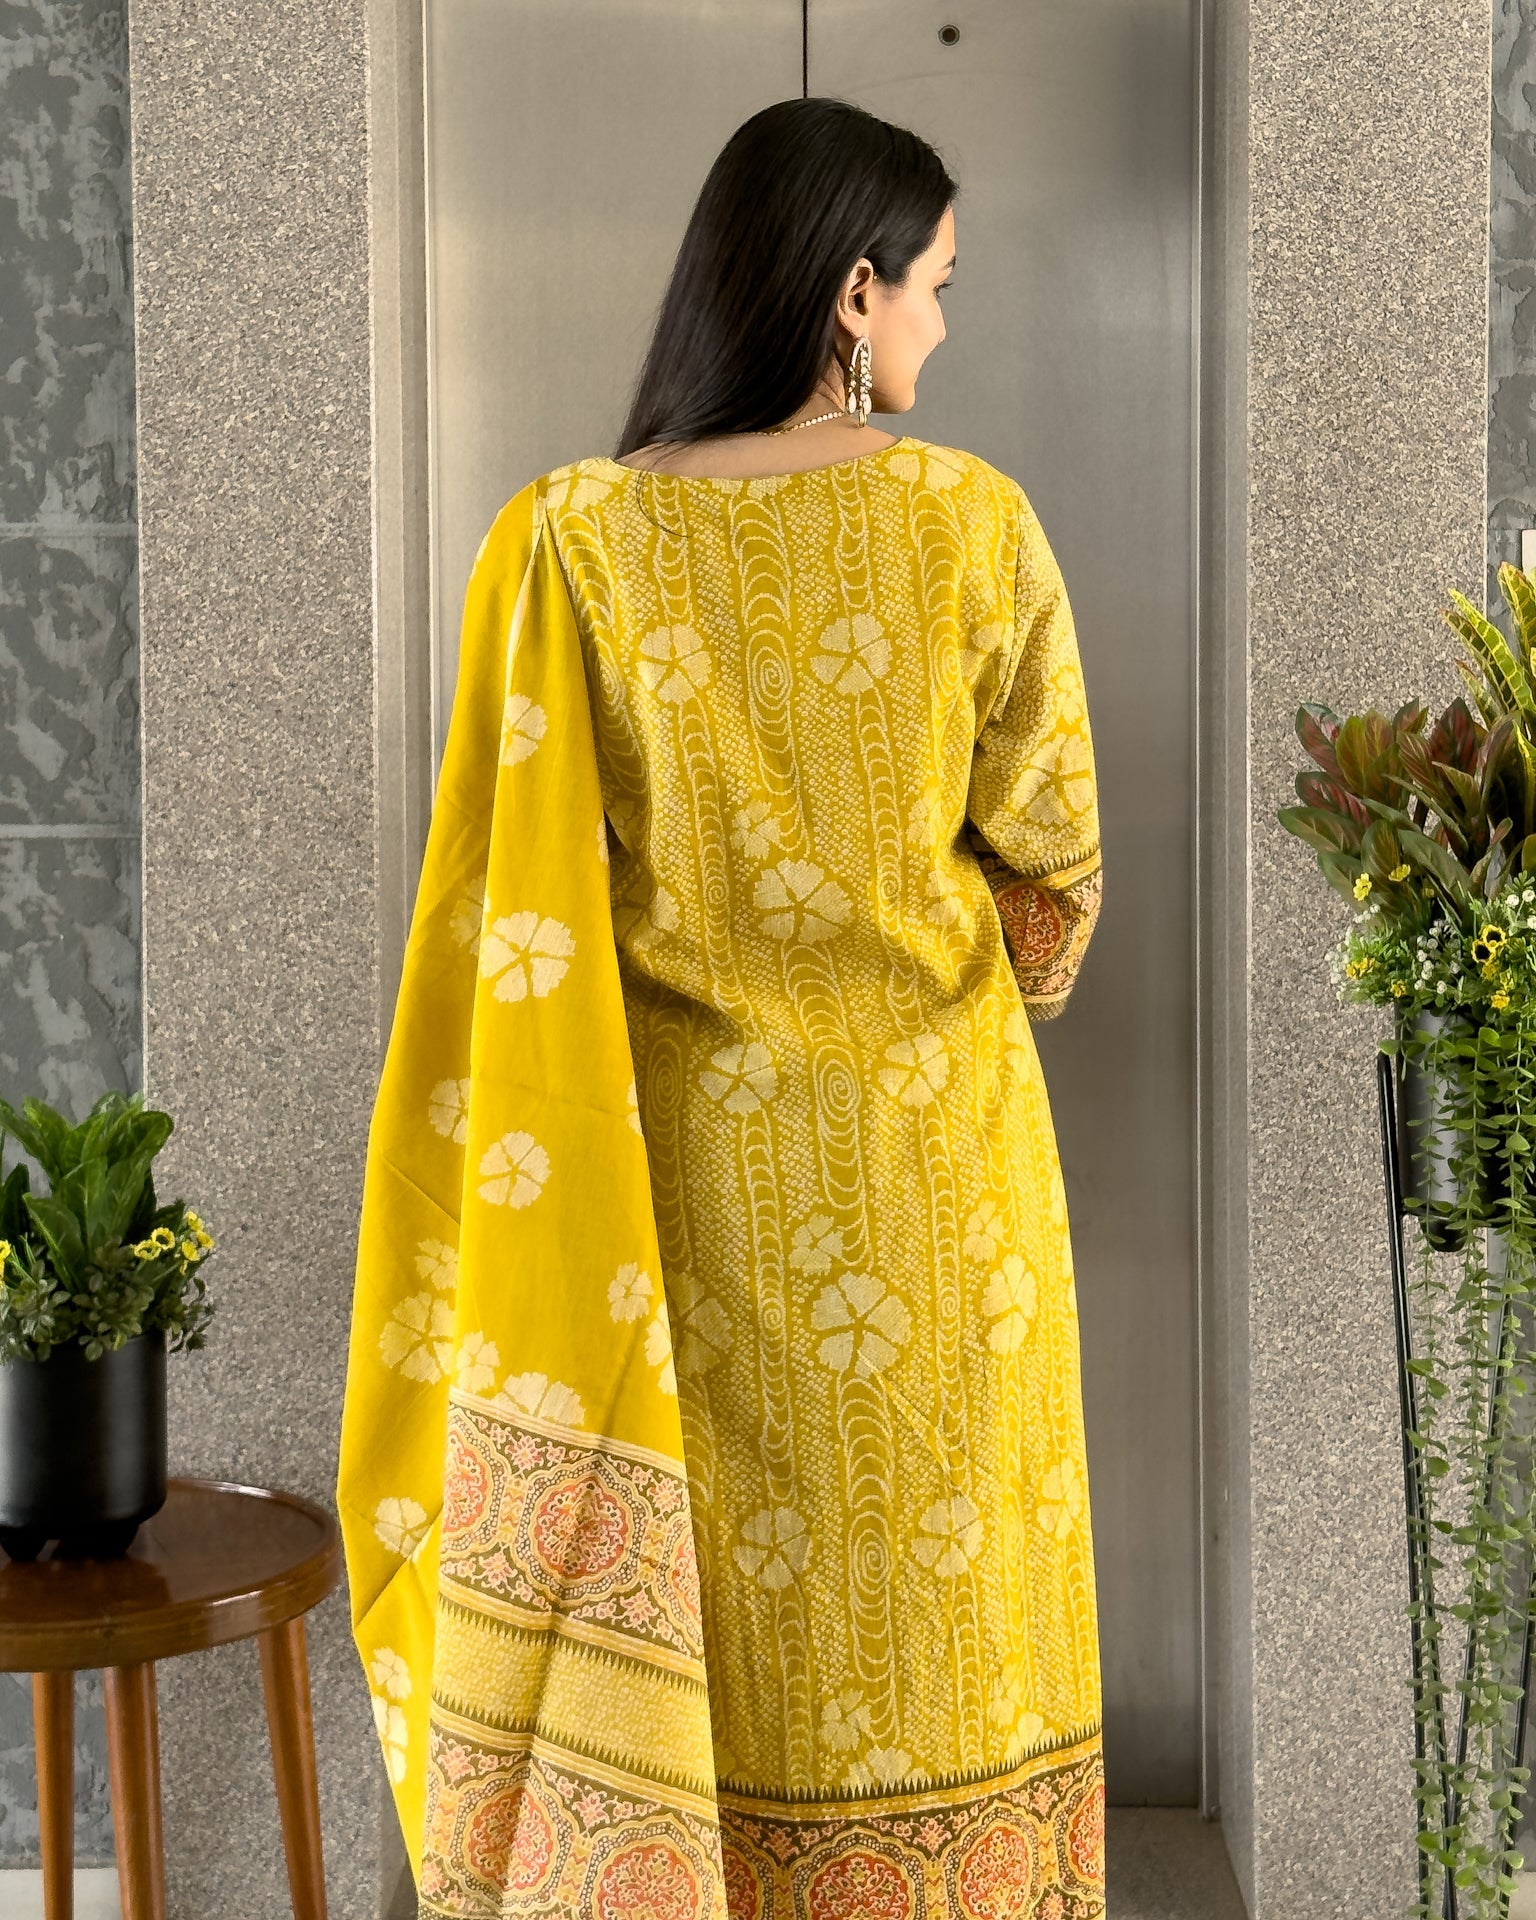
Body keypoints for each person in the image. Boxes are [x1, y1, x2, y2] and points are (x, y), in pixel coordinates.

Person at [338, 95, 1104, 1920]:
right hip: (946, 1209)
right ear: (853, 292)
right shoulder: (976, 527)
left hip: (688, 1210)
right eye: (935, 286)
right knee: (945, 1620)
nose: (941, 326)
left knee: (740, 1634)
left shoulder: (571, 543)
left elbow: (521, 894)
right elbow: (1055, 887)